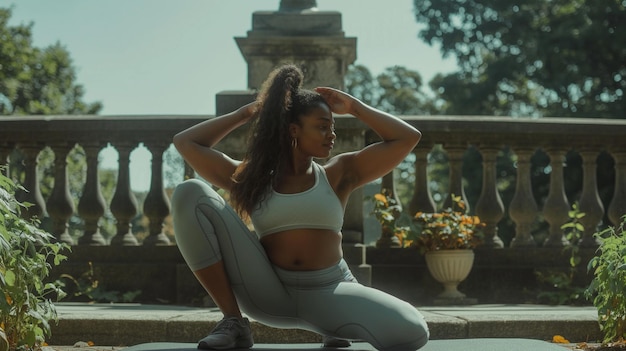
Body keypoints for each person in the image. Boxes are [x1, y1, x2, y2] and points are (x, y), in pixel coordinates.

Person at [171, 64, 429, 351]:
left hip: (330, 289)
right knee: (189, 192)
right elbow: (185, 142)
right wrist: (245, 114)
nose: (331, 134)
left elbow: (408, 138)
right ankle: (233, 321)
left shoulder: (339, 173)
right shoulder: (252, 179)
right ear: (294, 129)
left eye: (332, 126)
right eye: (322, 126)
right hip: (267, 292)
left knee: (413, 331)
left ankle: (332, 324)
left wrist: (355, 107)